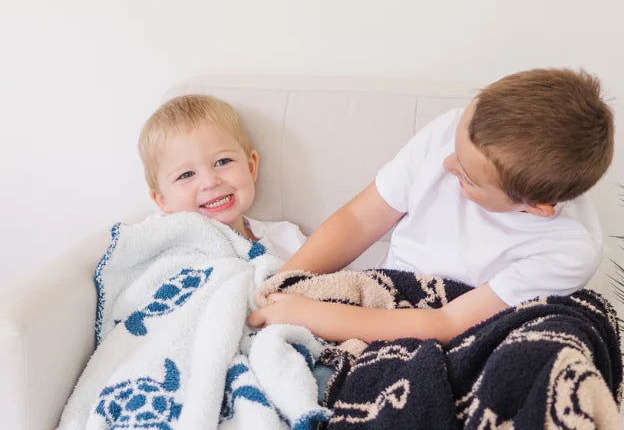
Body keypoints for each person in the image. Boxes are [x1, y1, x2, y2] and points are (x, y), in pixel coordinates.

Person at [248, 68, 614, 343]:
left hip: (444, 320)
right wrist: (282, 287)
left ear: (537, 208)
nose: (447, 166)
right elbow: (360, 220)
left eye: (468, 178)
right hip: (382, 290)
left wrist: (309, 315)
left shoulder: (569, 248)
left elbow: (448, 325)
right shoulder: (453, 129)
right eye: (456, 150)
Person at [140, 94, 306, 260]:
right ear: (162, 200)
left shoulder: (286, 240)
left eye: (222, 162)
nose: (210, 182)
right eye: (186, 174)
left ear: (251, 167)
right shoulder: (154, 240)